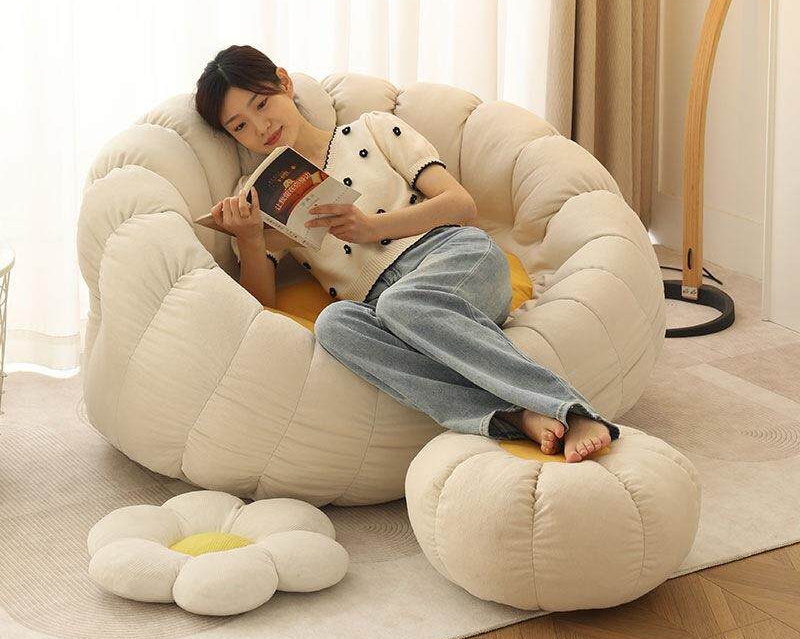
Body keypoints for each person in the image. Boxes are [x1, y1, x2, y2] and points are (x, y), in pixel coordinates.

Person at [194, 44, 621, 462]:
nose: (260, 127)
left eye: (262, 104)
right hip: (385, 310)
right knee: (334, 325)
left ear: (284, 84)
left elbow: (461, 205)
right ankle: (514, 413)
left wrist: (371, 227)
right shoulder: (257, 199)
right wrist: (249, 239)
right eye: (240, 126)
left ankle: (572, 410)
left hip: (453, 258)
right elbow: (262, 308)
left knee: (401, 303)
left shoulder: (372, 130)